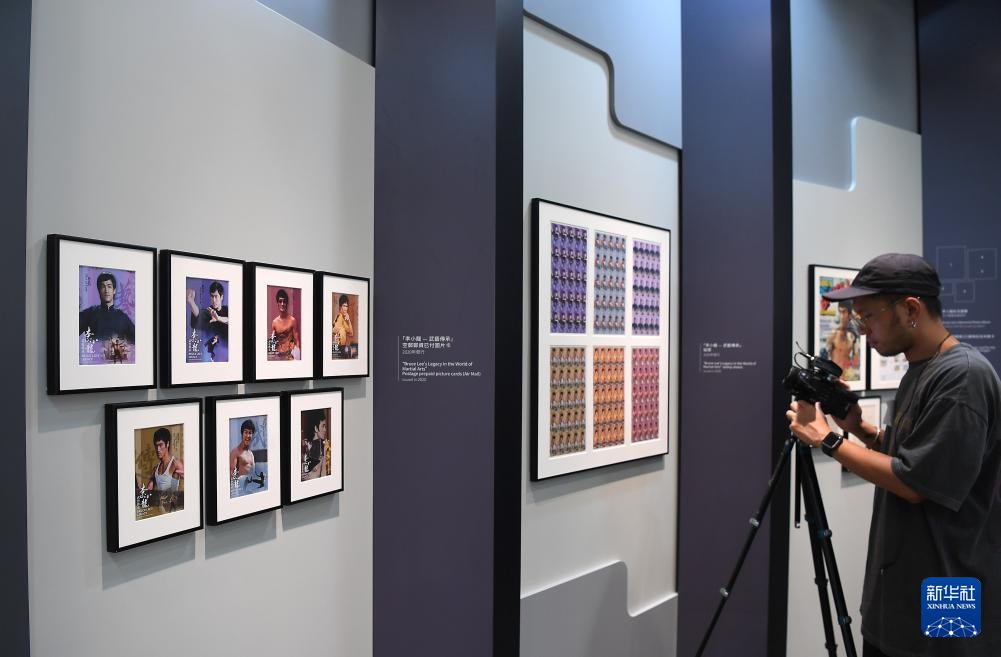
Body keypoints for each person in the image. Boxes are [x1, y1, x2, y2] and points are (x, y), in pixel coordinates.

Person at [786, 253, 1001, 657]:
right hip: (900, 596)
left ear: (911, 310)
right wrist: (861, 429)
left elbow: (916, 482)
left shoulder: (963, 377)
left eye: (868, 316)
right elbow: (918, 455)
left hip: (946, 590)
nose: (862, 329)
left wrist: (827, 439)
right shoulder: (923, 369)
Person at [79, 271, 135, 343]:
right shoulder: (89, 314)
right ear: (99, 290)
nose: (106, 290)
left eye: (109, 286)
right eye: (103, 287)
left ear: (114, 290)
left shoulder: (122, 317)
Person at [145, 427, 183, 513]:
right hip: (161, 512)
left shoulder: (175, 464)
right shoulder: (156, 469)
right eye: (156, 446)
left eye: (160, 445)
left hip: (174, 511)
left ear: (167, 444)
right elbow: (148, 491)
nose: (158, 449)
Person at [187, 280, 229, 352]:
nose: (214, 300)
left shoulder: (227, 310)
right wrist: (191, 302)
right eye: (212, 296)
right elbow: (199, 314)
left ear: (221, 297)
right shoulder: (209, 311)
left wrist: (218, 318)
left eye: (216, 296)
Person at [825, 301, 860, 377]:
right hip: (834, 378)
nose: (841, 316)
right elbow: (825, 361)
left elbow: (856, 363)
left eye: (844, 312)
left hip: (847, 377)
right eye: (839, 312)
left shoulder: (853, 337)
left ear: (849, 315)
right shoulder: (833, 336)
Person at [269, 288, 300, 360]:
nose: (282, 304)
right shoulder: (274, 322)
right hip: (278, 356)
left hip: (289, 355)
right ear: (277, 303)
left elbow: (296, 340)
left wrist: (297, 357)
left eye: (284, 301)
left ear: (287, 303)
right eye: (280, 301)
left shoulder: (292, 320)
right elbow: (273, 342)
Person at [301, 409, 328, 480]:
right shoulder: (304, 445)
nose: (325, 430)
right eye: (323, 426)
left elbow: (324, 473)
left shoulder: (323, 446)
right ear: (316, 428)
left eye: (325, 426)